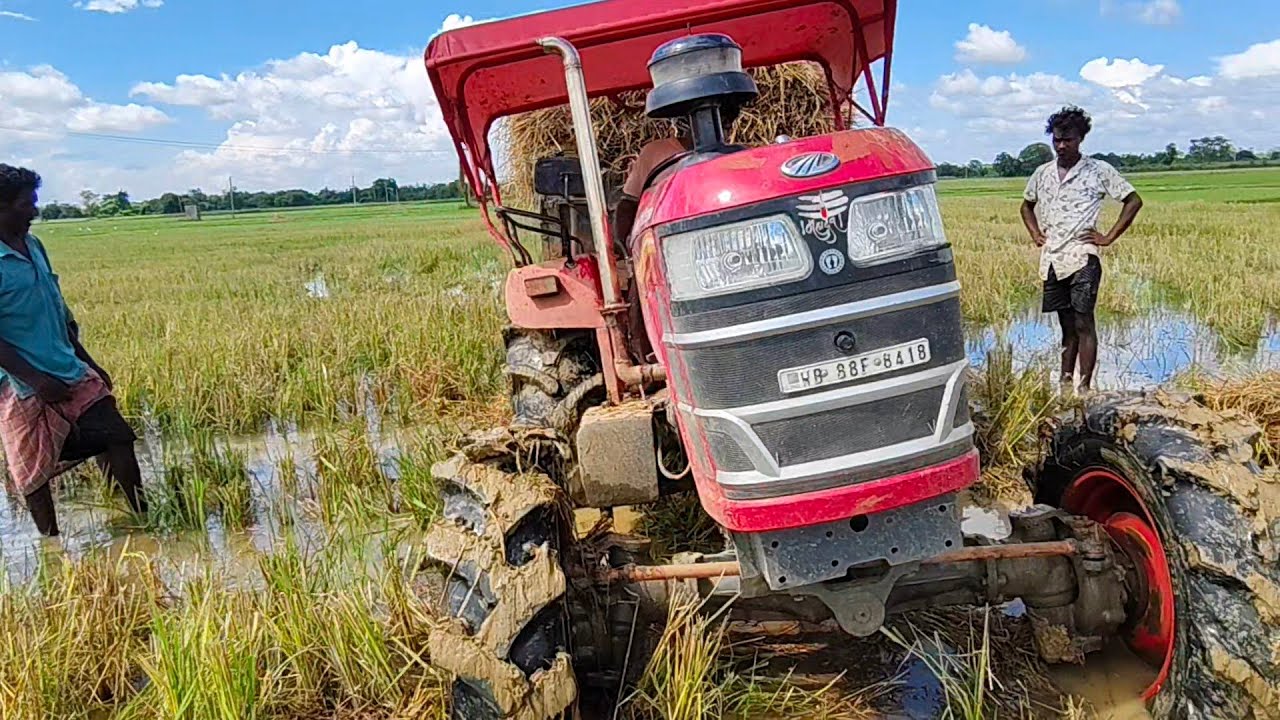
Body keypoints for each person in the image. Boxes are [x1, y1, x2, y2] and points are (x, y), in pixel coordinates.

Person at [0, 164, 146, 536]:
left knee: (118, 437)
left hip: (67, 366)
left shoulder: (34, 245)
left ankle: (139, 522)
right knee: (32, 473)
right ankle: (52, 545)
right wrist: (34, 379)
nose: (34, 210)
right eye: (25, 204)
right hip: (18, 384)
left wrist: (89, 362)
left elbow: (58, 311)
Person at [1020, 106, 1143, 395]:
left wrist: (1109, 236)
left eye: (1069, 140)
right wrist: (1036, 233)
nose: (1062, 146)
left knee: (1084, 320)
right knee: (1066, 325)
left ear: (1081, 139)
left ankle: (1085, 388)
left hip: (1083, 255)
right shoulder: (1042, 173)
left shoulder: (1098, 170)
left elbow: (1133, 200)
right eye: (1057, 140)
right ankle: (1064, 385)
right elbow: (1026, 205)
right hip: (1052, 258)